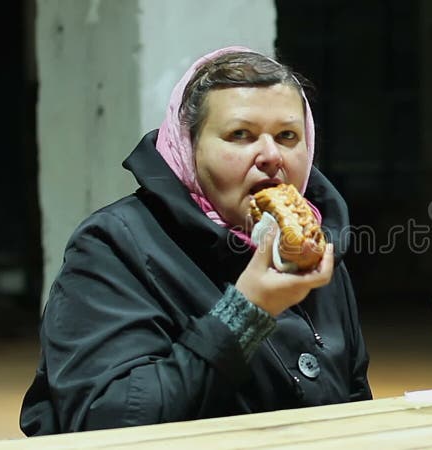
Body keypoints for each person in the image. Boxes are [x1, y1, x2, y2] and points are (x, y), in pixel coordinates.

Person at [20, 45, 372, 435]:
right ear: (187, 148)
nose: (271, 155)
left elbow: (353, 400)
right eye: (241, 135)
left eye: (288, 135)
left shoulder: (314, 246)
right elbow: (106, 420)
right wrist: (247, 312)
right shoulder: (113, 245)